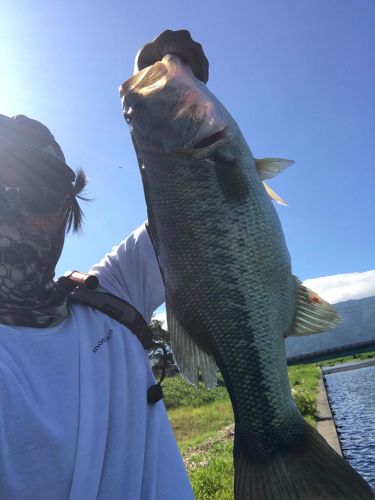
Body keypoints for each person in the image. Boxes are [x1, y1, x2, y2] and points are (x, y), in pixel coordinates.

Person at [0, 29, 208, 500]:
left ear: (66, 209)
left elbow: (198, 211)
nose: (19, 213)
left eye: (38, 193)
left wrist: (169, 99)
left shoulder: (111, 293)